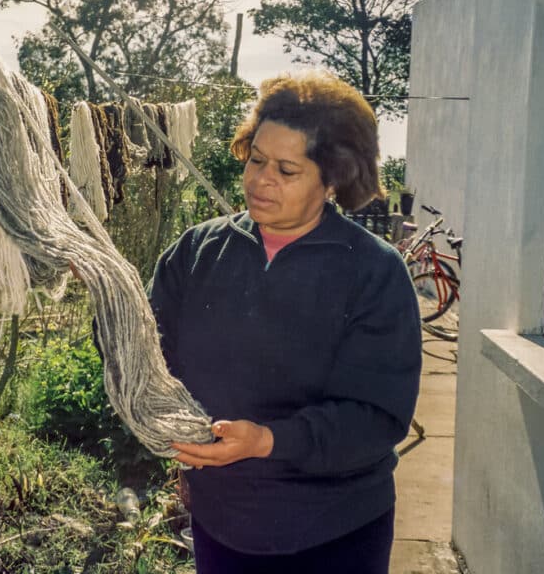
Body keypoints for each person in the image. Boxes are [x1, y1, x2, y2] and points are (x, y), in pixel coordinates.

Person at [149, 70, 422, 573]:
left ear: (332, 177)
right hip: (221, 520)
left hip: (334, 528)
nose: (259, 180)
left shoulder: (372, 272)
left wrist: (268, 440)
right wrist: (110, 298)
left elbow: (376, 418)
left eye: (286, 170)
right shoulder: (198, 252)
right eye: (255, 159)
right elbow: (146, 352)